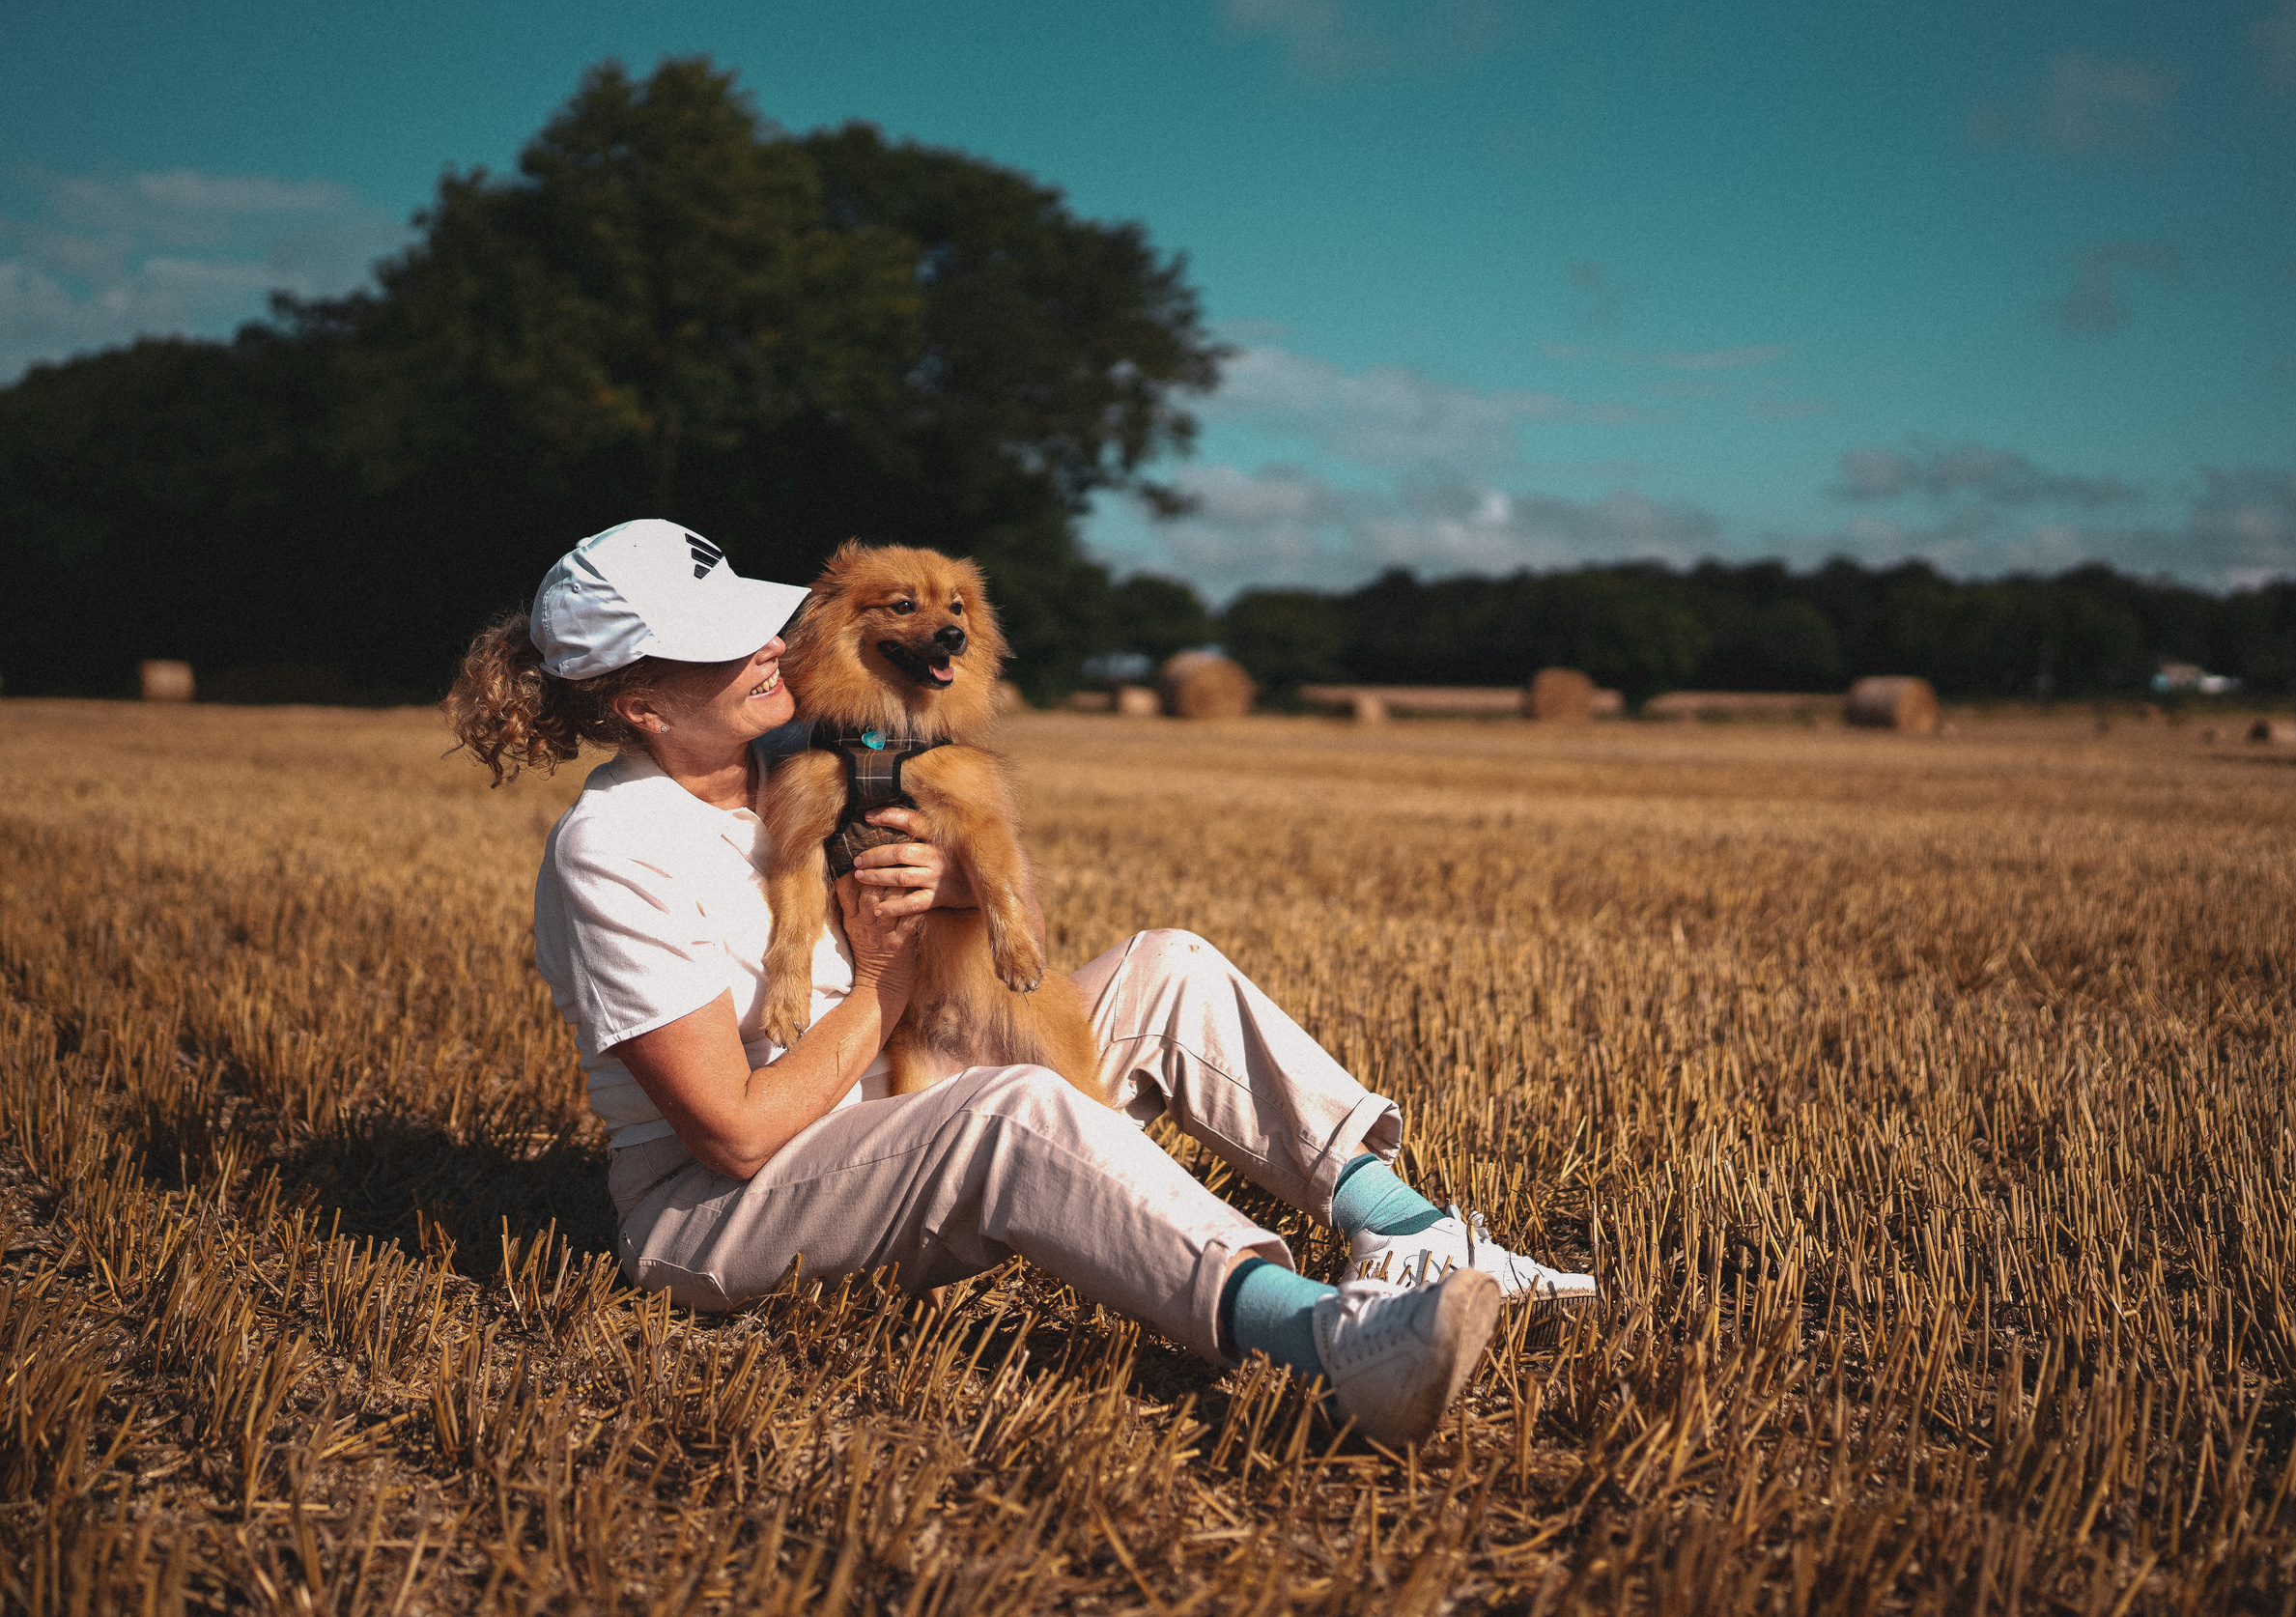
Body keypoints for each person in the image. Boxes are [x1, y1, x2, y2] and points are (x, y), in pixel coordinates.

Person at [445, 519, 1596, 1447]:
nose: (766, 647)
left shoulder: (798, 761)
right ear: (637, 703)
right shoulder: (617, 850)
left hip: (883, 1100)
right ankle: (1321, 1352)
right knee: (1014, 1115)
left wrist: (953, 889)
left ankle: (1410, 1231)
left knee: (1170, 967)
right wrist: (887, 981)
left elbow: (1003, 933)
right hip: (720, 1214)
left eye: (756, 622)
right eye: (723, 643)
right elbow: (735, 1138)